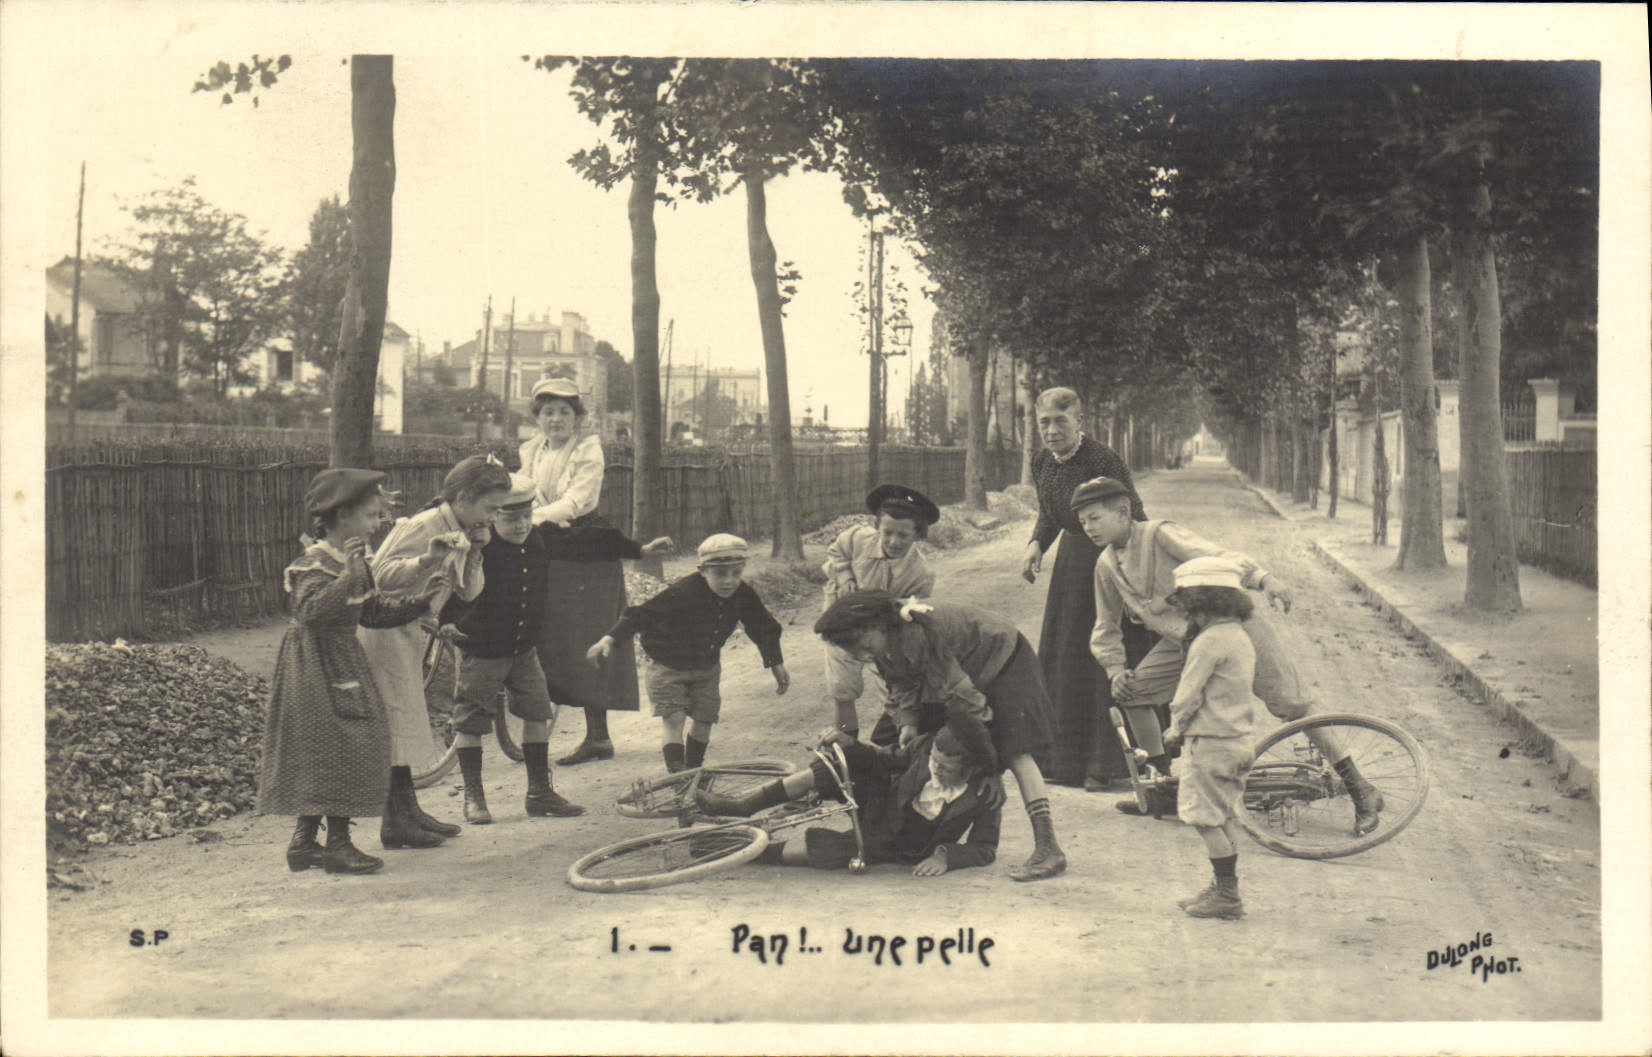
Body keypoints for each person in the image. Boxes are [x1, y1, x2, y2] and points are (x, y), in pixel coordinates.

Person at [1073, 475, 1386, 833]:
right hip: (1185, 643)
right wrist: (1115, 669)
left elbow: (1217, 557)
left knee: (1292, 704)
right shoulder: (1105, 566)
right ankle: (1162, 787)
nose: (1088, 528)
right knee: (1134, 692)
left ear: (1124, 512)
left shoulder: (1159, 534)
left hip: (1235, 627)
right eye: (1083, 522)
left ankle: (1360, 787)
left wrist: (1265, 579)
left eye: (1095, 518)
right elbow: (1105, 626)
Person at [435, 473, 669, 823]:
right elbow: (448, 588)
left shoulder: (542, 537)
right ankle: (475, 798)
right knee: (470, 722)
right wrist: (445, 622)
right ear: (492, 515)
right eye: (511, 518)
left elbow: (590, 539)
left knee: (537, 714)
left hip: (525, 649)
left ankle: (539, 793)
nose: (521, 525)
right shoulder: (475, 547)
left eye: (527, 516)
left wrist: (638, 549)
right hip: (482, 649)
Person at [256, 469, 452, 876]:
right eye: (369, 515)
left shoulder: (353, 564)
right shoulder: (311, 563)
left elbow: (373, 612)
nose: (378, 523)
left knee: (336, 745)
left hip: (341, 660)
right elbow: (311, 613)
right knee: (343, 744)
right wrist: (349, 576)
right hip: (314, 667)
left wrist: (420, 601)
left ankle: (305, 843)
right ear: (342, 516)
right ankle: (337, 846)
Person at [812, 591, 1066, 882]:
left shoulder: (921, 636)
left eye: (863, 644)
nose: (861, 655)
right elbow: (900, 682)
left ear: (878, 626)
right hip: (960, 671)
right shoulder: (886, 640)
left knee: (1015, 750)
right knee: (895, 736)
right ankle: (895, 826)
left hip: (1002, 662)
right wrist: (908, 724)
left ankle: (1048, 847)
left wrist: (989, 766)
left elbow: (969, 707)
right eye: (853, 651)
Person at [358, 455, 508, 848]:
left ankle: (408, 811)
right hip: (383, 630)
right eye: (489, 508)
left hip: (410, 633)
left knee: (405, 722)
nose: (493, 517)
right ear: (462, 497)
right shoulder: (424, 526)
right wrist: (428, 560)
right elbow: (379, 575)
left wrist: (476, 553)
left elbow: (470, 592)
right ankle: (395, 820)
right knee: (395, 722)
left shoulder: (464, 528)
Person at [1020, 387, 1152, 792]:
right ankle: (1063, 760)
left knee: (1102, 656)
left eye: (1061, 421)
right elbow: (1050, 511)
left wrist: (1132, 571)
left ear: (1079, 421)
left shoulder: (1101, 459)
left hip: (1106, 561)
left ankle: (1102, 764)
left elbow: (1135, 513)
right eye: (1045, 422)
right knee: (1066, 656)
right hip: (1069, 568)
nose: (1052, 430)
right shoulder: (1042, 461)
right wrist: (1036, 544)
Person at [694, 710, 1001, 877]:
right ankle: (742, 806)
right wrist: (849, 745)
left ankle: (733, 849)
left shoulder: (984, 795)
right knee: (828, 769)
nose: (935, 769)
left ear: (971, 770)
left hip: (895, 844)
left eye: (946, 768)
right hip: (883, 803)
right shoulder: (924, 746)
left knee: (824, 851)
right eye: (934, 760)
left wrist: (946, 855)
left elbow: (985, 848)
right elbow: (886, 759)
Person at [587, 533, 789, 773]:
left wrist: (775, 662)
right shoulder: (683, 592)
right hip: (667, 666)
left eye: (736, 573)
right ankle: (678, 778)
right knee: (674, 718)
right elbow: (640, 614)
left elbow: (763, 626)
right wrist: (610, 638)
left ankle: (693, 773)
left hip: (706, 668)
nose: (729, 581)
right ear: (702, 571)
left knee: (705, 719)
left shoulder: (742, 593)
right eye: (720, 574)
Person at [518, 377, 634, 766]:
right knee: (553, 634)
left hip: (585, 552)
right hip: (547, 547)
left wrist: (531, 518)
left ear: (577, 418)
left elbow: (577, 500)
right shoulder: (532, 451)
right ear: (537, 417)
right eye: (548, 412)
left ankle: (597, 736)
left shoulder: (588, 450)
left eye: (564, 412)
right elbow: (524, 489)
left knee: (586, 637)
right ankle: (536, 723)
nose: (555, 419)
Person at [1159, 557, 1264, 920]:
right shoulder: (1239, 637)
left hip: (1211, 742)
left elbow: (1187, 696)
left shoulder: (1209, 641)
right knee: (1223, 818)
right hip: (1238, 741)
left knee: (1204, 819)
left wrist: (1174, 730)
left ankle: (1228, 895)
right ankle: (1221, 886)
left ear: (1203, 603)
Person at [821, 484, 939, 739]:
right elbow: (836, 555)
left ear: (917, 534)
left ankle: (896, 748)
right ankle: (847, 745)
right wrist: (844, 578)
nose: (894, 541)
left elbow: (910, 614)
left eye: (903, 535)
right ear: (877, 527)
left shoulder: (921, 573)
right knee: (843, 688)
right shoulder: (857, 538)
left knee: (894, 691)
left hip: (883, 634)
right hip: (844, 625)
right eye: (887, 533)